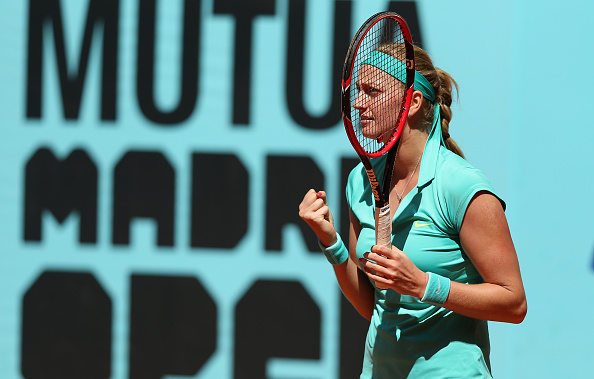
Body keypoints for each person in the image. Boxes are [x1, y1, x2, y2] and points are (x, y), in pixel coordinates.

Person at [298, 44, 527, 378]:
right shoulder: (359, 182)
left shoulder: (462, 187)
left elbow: (514, 303)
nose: (358, 103)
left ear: (413, 102)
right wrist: (331, 242)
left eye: (372, 91)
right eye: (357, 91)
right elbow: (372, 303)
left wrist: (422, 284)